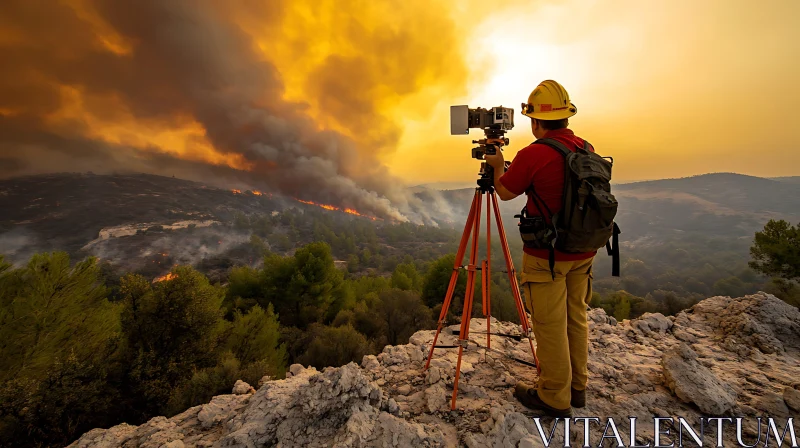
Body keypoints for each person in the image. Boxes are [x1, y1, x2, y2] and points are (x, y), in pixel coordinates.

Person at [484, 79, 594, 418]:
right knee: (575, 317)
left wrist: (497, 163)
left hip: (547, 256)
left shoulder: (535, 153)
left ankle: (553, 396)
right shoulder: (584, 147)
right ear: (565, 117)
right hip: (583, 250)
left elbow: (503, 192)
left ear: (536, 122)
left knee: (548, 324)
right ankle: (577, 388)